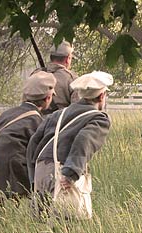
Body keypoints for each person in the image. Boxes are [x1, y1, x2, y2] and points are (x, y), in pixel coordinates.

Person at [26, 71, 112, 218]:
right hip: (62, 173)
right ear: (102, 96)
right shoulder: (99, 118)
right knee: (72, 226)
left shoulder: (57, 114)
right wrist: (70, 173)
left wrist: (33, 178)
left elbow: (33, 144)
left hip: (40, 171)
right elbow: (84, 140)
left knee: (43, 228)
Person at [0, 71, 56, 218]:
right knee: (39, 195)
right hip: (10, 163)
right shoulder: (38, 121)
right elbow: (39, 154)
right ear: (48, 98)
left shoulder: (7, 114)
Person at [35, 40, 79, 114]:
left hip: (36, 123)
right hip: (61, 124)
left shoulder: (35, 75)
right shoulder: (72, 79)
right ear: (68, 59)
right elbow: (77, 109)